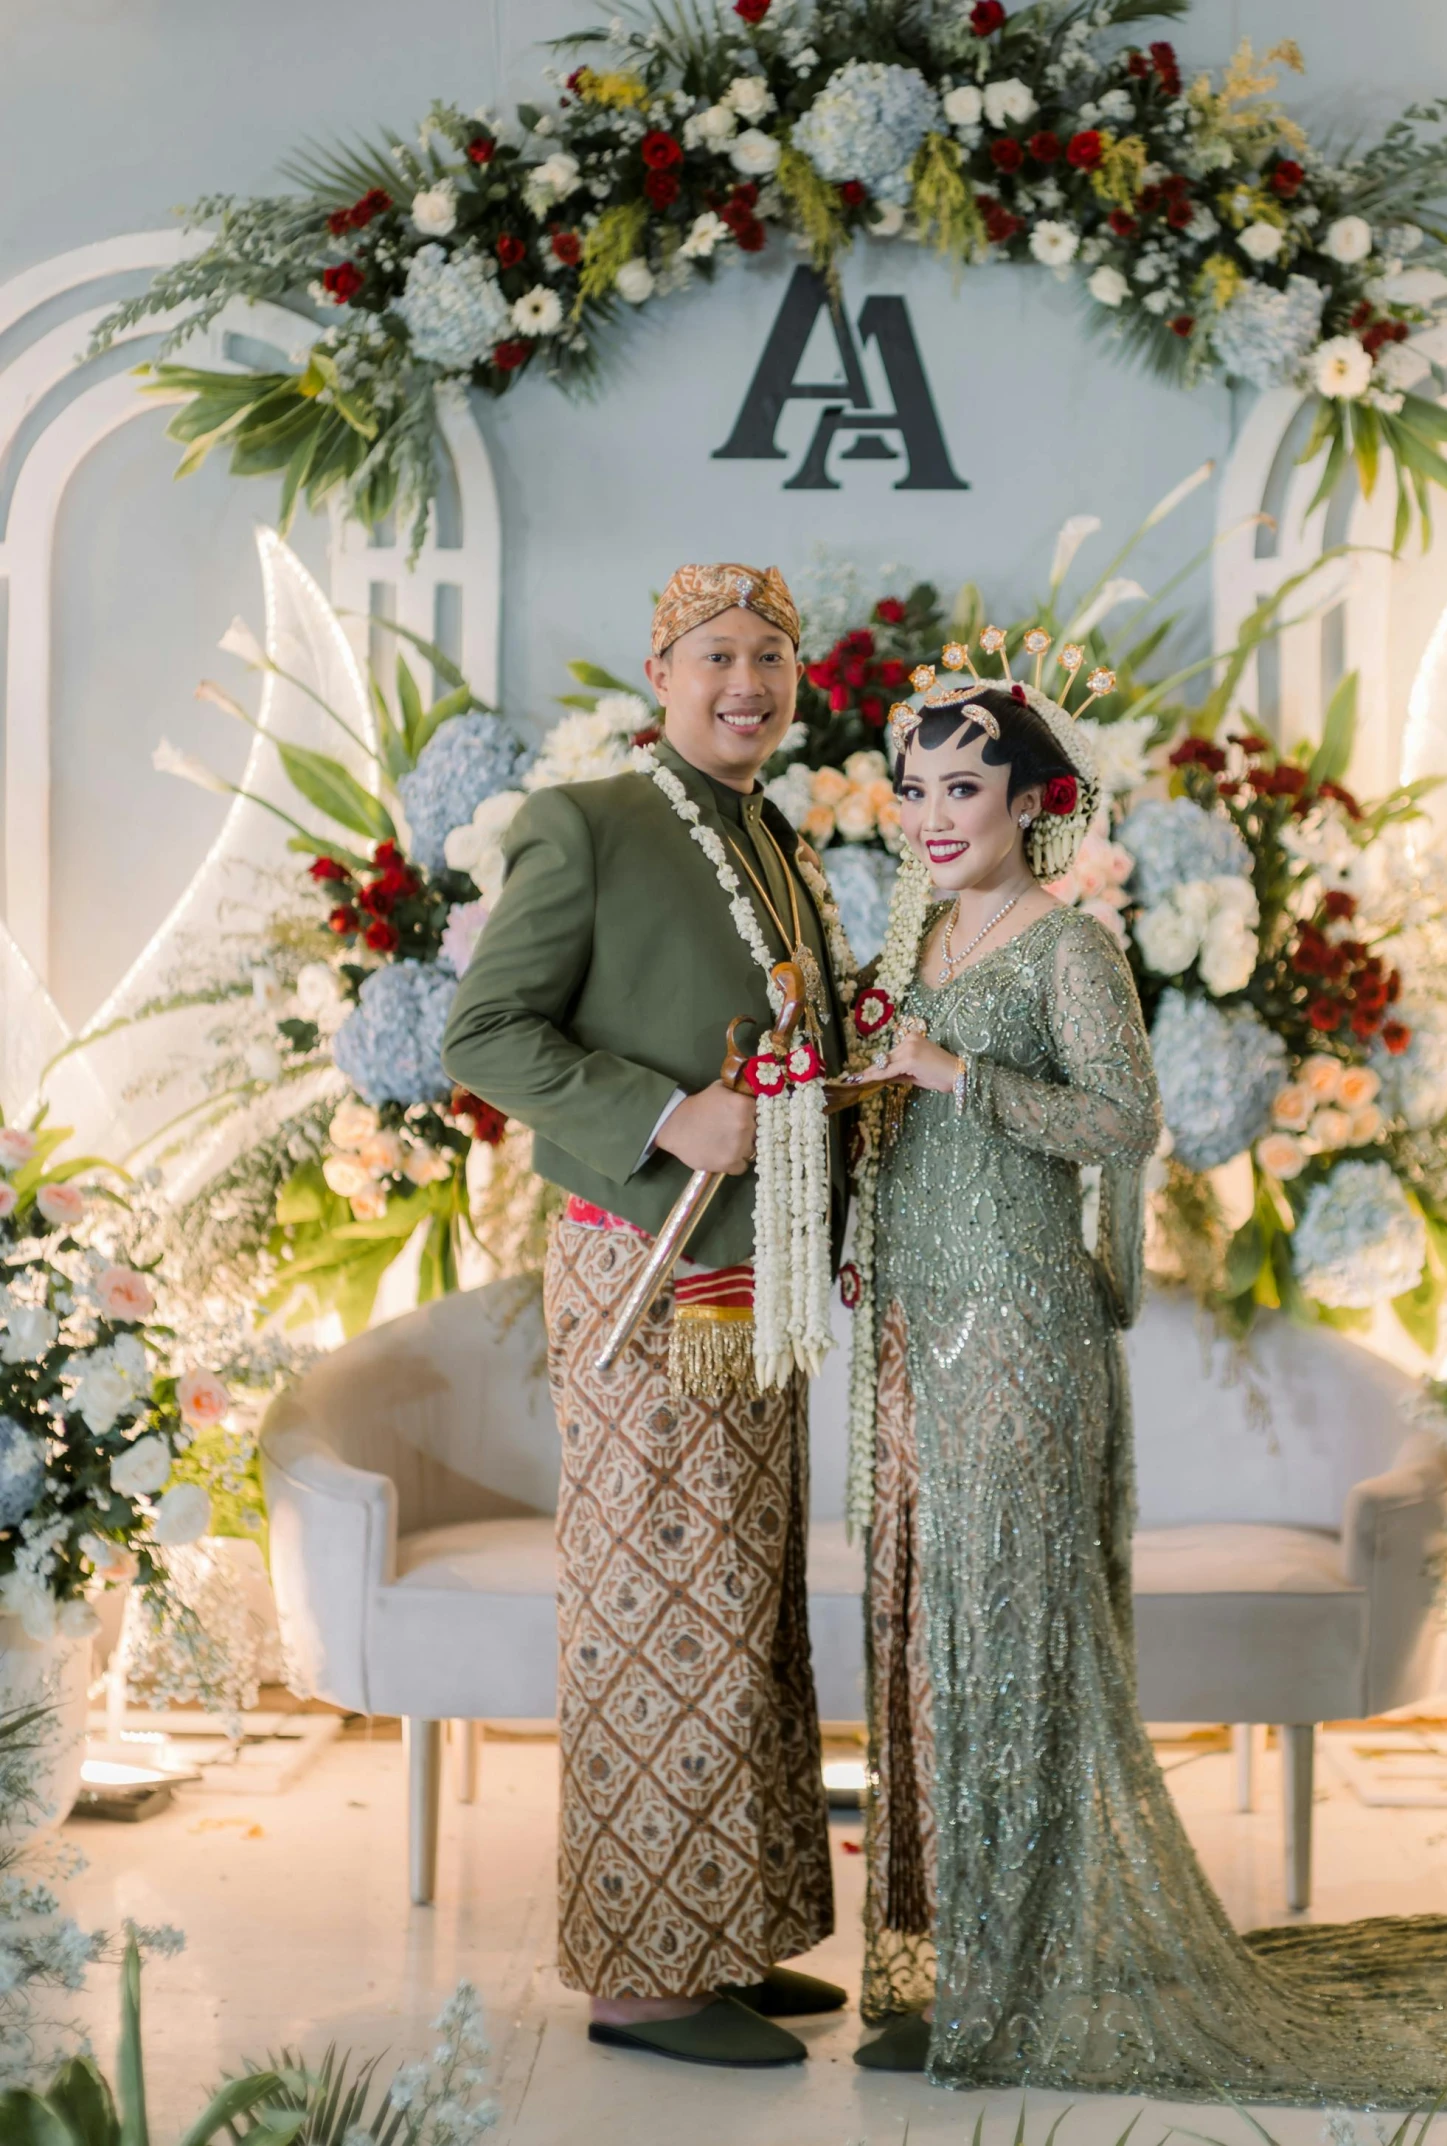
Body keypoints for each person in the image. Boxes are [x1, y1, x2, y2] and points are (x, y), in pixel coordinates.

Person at [842, 640, 1447, 2101]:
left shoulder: (1066, 945)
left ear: (1030, 802)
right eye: (917, 786)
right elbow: (902, 1121)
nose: (935, 813)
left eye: (964, 786)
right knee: (929, 1630)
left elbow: (1126, 1124)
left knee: (1013, 1634)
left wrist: (958, 1080)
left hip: (1020, 1330)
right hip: (913, 1329)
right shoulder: (909, 940)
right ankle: (949, 1956)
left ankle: (1023, 1971)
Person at [442, 562, 852, 2070]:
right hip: (647, 1262)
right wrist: (667, 1112)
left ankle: (724, 1931)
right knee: (650, 1611)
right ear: (659, 668)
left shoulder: (772, 838)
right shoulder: (595, 822)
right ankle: (641, 1972)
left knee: (738, 1607)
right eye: (717, 657)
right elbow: (482, 1031)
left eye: (771, 657)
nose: (746, 683)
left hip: (753, 1269)